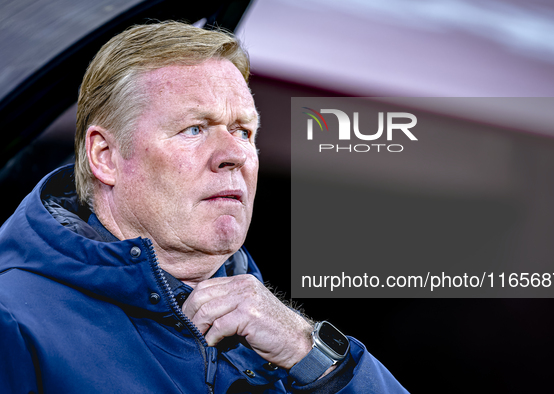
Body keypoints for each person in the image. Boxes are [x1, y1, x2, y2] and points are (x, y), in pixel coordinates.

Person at [0, 21, 408, 393]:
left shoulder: (281, 340)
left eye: (243, 131)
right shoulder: (14, 321)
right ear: (105, 156)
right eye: (194, 128)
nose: (235, 154)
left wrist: (316, 360)